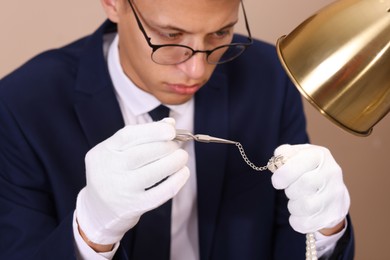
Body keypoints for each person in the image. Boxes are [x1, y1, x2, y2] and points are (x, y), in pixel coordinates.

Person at [0, 0, 354, 259]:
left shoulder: (269, 78)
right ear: (113, 4)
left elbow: (290, 244)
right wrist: (90, 235)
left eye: (220, 32)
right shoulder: (22, 104)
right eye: (170, 36)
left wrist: (325, 231)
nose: (197, 70)